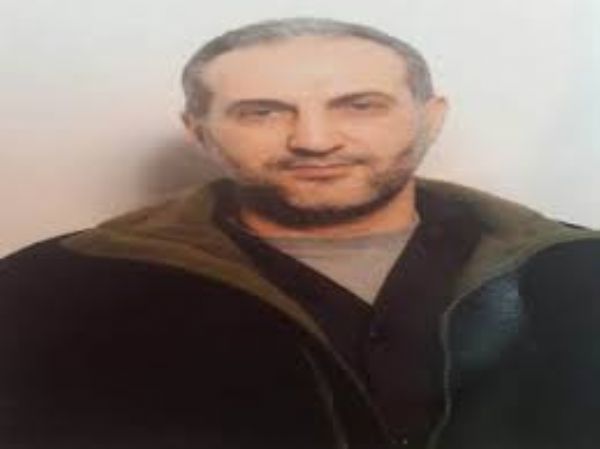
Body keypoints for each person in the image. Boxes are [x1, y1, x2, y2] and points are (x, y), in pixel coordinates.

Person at [1, 17, 599, 449]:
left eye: (359, 105)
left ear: (430, 118)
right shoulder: (45, 289)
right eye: (261, 111)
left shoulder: (581, 269)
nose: (314, 140)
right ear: (198, 131)